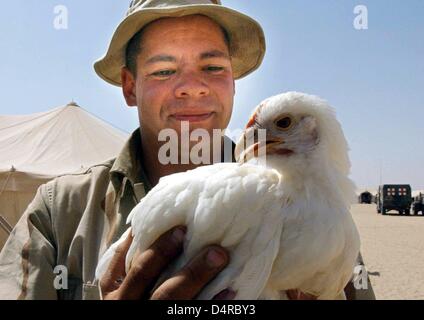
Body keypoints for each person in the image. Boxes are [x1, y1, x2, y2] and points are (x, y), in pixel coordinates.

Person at [0, 0, 375, 300]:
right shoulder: (59, 213)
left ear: (233, 83)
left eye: (212, 67)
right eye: (164, 71)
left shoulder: (317, 211)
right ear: (130, 87)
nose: (192, 87)